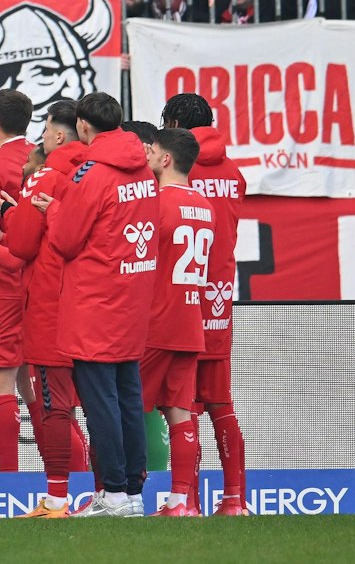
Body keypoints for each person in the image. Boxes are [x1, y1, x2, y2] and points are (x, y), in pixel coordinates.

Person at [48, 91, 158, 517]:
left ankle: (113, 494)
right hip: (132, 297)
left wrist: (55, 209)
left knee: (101, 403)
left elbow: (65, 240)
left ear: (82, 125)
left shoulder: (90, 174)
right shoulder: (143, 171)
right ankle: (131, 492)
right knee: (128, 396)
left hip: (95, 302)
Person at [0, 101, 93, 516]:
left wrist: (7, 212)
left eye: (46, 131)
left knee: (55, 406)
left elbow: (20, 244)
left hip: (52, 305)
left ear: (58, 135)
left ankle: (56, 498)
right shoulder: (112, 173)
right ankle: (113, 493)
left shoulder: (48, 175)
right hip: (105, 305)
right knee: (105, 402)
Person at [161, 92, 250, 515]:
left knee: (181, 402)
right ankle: (235, 499)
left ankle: (187, 499)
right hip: (219, 298)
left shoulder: (176, 169)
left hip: (179, 295)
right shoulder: (234, 172)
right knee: (220, 401)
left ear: (175, 123)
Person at [141, 128, 212, 516]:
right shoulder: (204, 204)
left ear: (166, 159)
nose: (147, 156)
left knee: (127, 408)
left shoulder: (156, 202)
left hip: (155, 320)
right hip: (189, 320)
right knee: (179, 412)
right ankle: (180, 501)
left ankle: (123, 495)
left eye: (151, 151)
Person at [0, 91, 36, 473]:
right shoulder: (39, 157)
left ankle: (9, 478)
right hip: (43, 284)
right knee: (38, 386)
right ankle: (65, 474)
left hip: (6, 285)